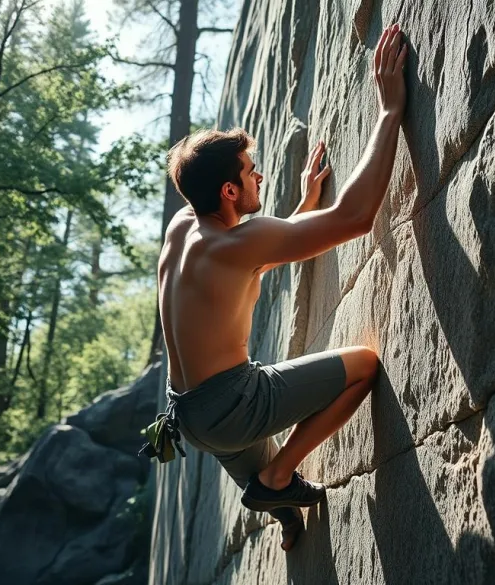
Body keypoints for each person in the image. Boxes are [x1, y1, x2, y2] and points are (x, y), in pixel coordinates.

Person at [156, 23, 408, 551]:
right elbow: (357, 217)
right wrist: (389, 111)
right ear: (228, 189)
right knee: (362, 365)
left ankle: (286, 516)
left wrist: (299, 210)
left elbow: (239, 271)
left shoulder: (183, 229)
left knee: (261, 470)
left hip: (187, 415)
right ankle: (277, 481)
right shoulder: (237, 242)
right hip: (231, 402)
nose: (258, 177)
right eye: (250, 172)